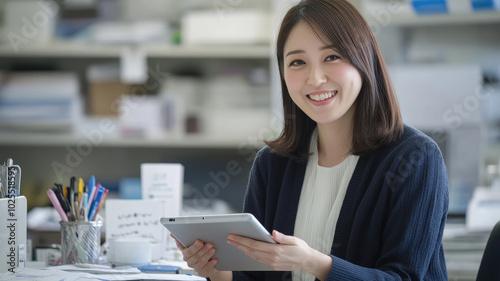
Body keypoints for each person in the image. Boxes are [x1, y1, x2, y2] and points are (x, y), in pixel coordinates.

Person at [171, 0, 449, 280]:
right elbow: (255, 276)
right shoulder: (272, 164)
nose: (315, 79)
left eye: (332, 57)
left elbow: (405, 277)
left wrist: (315, 263)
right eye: (298, 62)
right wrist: (217, 271)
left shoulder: (416, 157)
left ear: (364, 60)